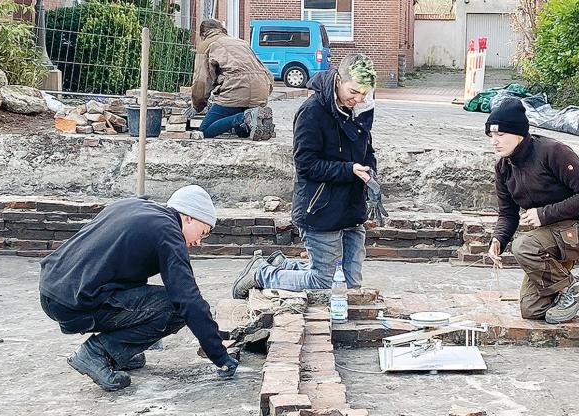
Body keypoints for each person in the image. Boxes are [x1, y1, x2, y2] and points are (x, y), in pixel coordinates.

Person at [39, 186, 239, 391]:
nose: (198, 242)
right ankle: (97, 353)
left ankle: (119, 352)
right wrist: (219, 355)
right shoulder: (168, 233)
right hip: (74, 301)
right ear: (189, 217)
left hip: (53, 289)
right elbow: (188, 299)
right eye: (203, 232)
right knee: (175, 309)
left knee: (158, 301)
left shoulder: (135, 207)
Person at [230, 54, 378, 297]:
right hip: (321, 208)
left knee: (349, 287)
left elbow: (366, 150)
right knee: (323, 282)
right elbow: (306, 164)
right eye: (354, 91)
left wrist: (371, 174)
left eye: (364, 93)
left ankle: (282, 266)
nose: (359, 98)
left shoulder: (359, 110)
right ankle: (262, 274)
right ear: (339, 80)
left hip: (351, 207)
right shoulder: (312, 112)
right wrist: (348, 169)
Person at [485, 98, 579, 324]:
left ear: (519, 134)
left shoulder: (553, 152)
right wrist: (499, 238)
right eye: (491, 136)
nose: (495, 142)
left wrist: (543, 214)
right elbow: (508, 213)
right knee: (532, 309)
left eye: (501, 135)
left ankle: (572, 290)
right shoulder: (504, 168)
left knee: (524, 246)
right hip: (553, 238)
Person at [190, 19, 275, 140]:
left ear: (203, 34)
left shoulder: (206, 45)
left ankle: (244, 117)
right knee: (242, 132)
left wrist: (197, 105)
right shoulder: (241, 42)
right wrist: (263, 95)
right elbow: (266, 72)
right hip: (261, 89)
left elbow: (202, 81)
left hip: (236, 90)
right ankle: (256, 118)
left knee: (205, 130)